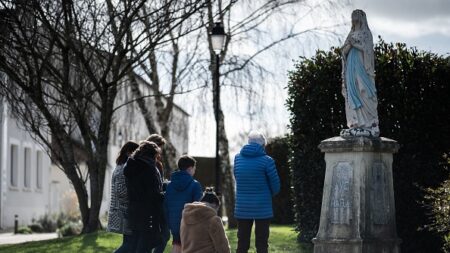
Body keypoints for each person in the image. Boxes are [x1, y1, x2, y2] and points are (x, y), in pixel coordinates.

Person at [234, 131, 280, 253]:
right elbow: (276, 185)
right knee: (262, 243)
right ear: (262, 145)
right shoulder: (267, 160)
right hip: (262, 207)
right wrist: (266, 194)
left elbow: (237, 178)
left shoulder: (238, 158)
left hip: (242, 207)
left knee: (242, 243)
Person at [341, 9, 380, 137]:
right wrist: (348, 46)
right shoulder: (350, 34)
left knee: (364, 89)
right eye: (353, 15)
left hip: (361, 65)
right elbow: (344, 51)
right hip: (351, 65)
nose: (354, 17)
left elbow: (367, 50)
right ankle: (356, 123)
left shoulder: (366, 34)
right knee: (353, 90)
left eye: (357, 14)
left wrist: (355, 45)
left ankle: (370, 123)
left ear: (362, 17)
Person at [124, 141, 164, 253]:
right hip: (148, 213)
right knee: (144, 247)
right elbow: (153, 193)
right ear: (153, 155)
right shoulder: (149, 169)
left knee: (135, 245)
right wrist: (163, 195)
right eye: (156, 155)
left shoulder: (130, 166)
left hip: (133, 210)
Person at [165, 155, 203, 253]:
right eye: (194, 168)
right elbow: (198, 207)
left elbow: (165, 206)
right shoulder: (195, 185)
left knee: (176, 245)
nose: (194, 171)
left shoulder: (169, 185)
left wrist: (169, 223)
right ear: (190, 169)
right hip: (189, 223)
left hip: (174, 223)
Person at [107, 141, 139, 253]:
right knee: (130, 245)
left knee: (130, 244)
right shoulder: (122, 170)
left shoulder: (121, 167)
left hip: (123, 212)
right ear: (128, 152)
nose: (137, 155)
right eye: (136, 152)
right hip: (124, 212)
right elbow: (121, 192)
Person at [180, 188, 231, 253]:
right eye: (217, 209)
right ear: (215, 205)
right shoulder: (214, 220)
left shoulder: (185, 217)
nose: (216, 212)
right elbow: (223, 248)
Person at [146, 134, 170, 253]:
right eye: (160, 147)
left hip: (158, 202)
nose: (161, 151)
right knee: (163, 235)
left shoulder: (157, 162)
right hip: (155, 204)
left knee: (163, 235)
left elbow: (159, 182)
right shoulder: (150, 163)